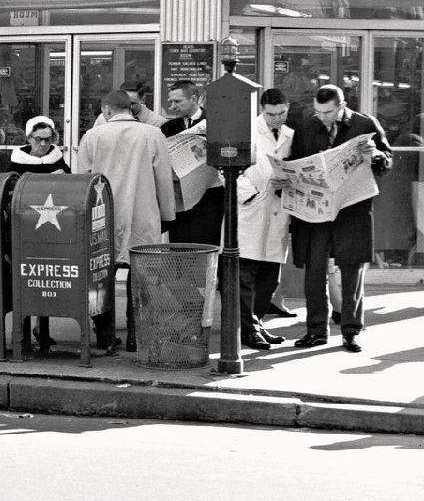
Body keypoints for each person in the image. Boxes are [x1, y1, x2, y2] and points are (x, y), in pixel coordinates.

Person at [288, 84, 392, 353]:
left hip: (352, 206)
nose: (322, 116)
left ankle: (350, 331)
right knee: (314, 268)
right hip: (317, 210)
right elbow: (297, 158)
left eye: (329, 111)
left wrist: (377, 156)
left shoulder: (365, 124)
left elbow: (387, 160)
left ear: (342, 105)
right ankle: (315, 330)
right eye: (318, 111)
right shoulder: (307, 126)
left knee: (351, 268)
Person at [73, 89, 176, 279]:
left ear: (107, 110)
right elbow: (163, 179)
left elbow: (82, 182)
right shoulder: (153, 135)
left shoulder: (91, 136)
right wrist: (167, 216)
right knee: (143, 279)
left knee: (100, 277)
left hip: (102, 218)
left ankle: (104, 310)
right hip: (143, 215)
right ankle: (136, 310)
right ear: (129, 108)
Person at [235, 88, 294, 351]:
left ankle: (257, 323)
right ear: (262, 109)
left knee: (270, 277)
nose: (276, 119)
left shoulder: (290, 135)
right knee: (245, 275)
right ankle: (247, 330)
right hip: (251, 210)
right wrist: (252, 193)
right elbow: (228, 170)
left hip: (277, 210)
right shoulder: (244, 131)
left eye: (281, 113)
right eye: (271, 114)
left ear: (287, 108)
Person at [8, 115, 69, 351]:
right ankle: (21, 332)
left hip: (52, 228)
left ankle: (42, 329)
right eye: (38, 139)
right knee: (24, 279)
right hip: (24, 226)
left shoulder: (57, 157)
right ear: (29, 138)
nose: (43, 144)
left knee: (47, 280)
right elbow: (10, 189)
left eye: (48, 139)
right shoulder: (17, 159)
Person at [161, 82, 224, 246]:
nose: (173, 106)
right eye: (171, 101)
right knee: (179, 249)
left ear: (194, 99)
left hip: (209, 200)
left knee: (206, 249)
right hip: (180, 201)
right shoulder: (168, 128)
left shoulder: (216, 122)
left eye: (178, 102)